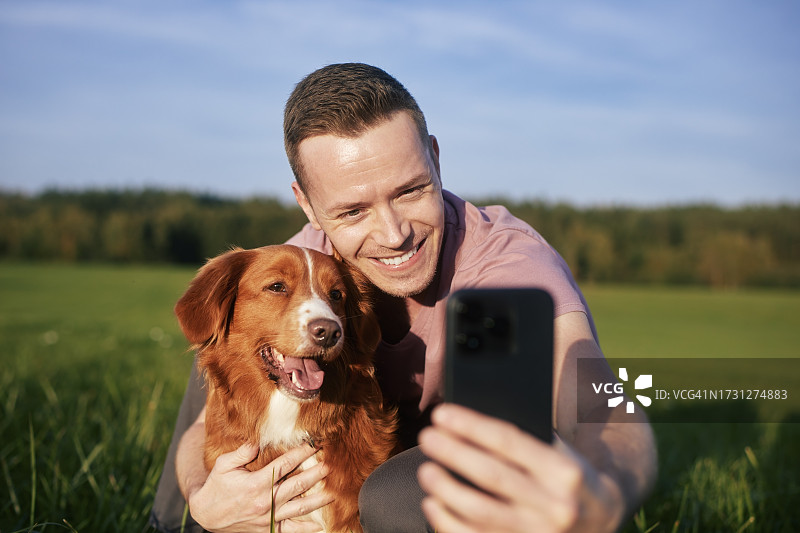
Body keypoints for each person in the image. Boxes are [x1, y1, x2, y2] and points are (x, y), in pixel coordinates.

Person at [150, 63, 657, 533]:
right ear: (307, 203)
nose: (393, 234)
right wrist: (203, 496)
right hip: (365, 441)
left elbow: (599, 402)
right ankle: (170, 524)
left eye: (410, 190)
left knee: (393, 496)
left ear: (435, 159)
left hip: (450, 466)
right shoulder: (307, 259)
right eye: (352, 211)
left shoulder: (504, 267)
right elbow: (203, 423)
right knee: (235, 338)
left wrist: (607, 493)